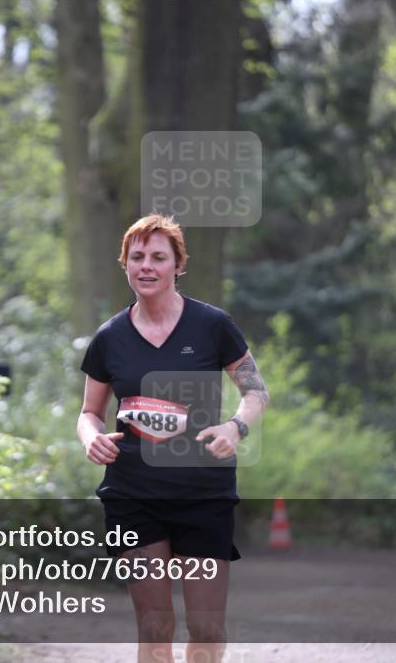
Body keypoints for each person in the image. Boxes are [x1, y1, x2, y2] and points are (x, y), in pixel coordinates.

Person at [77, 214, 269, 663]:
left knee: (205, 626)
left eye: (158, 257)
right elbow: (89, 412)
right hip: (132, 495)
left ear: (178, 265)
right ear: (125, 264)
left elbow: (256, 391)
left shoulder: (213, 326)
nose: (147, 266)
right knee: (155, 625)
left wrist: (234, 427)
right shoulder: (109, 338)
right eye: (137, 257)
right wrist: (90, 437)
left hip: (204, 495)